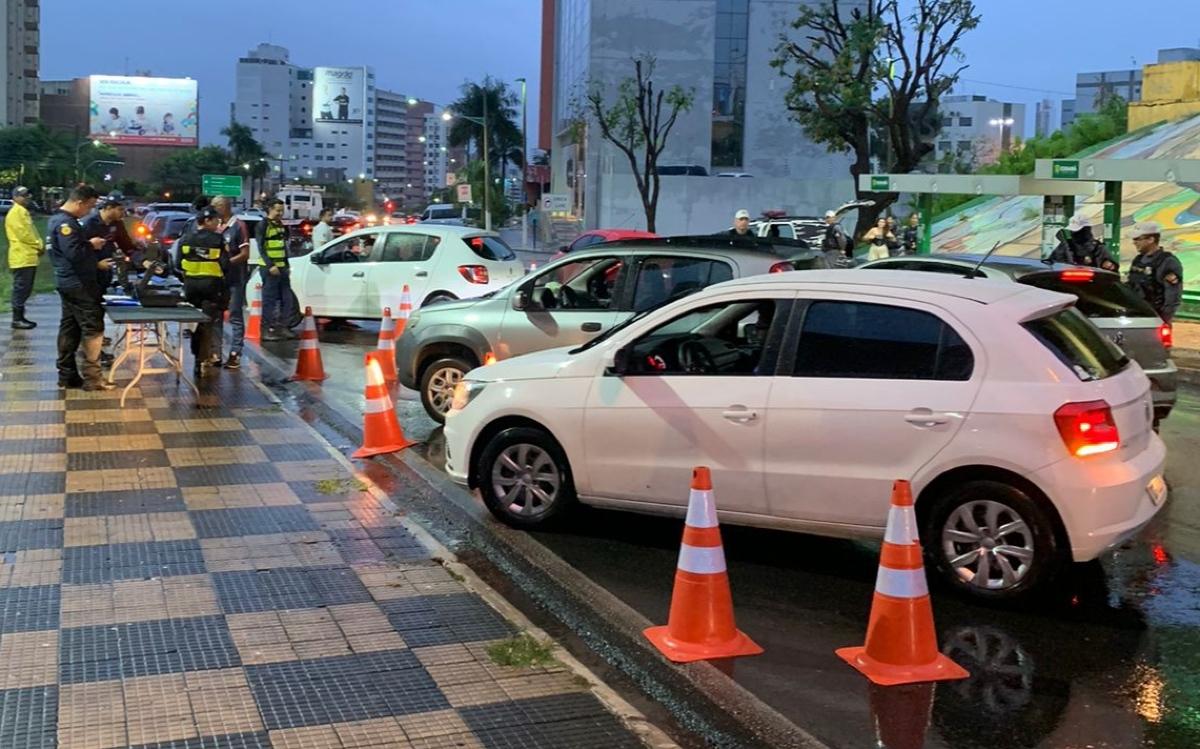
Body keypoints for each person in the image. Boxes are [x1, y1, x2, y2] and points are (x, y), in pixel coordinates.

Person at [48, 184, 112, 390]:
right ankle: (93, 378)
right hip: (78, 284)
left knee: (70, 327)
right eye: (90, 206)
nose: (90, 211)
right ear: (79, 202)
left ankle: (67, 375)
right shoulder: (65, 224)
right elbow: (74, 253)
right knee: (93, 327)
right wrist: (91, 245)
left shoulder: (58, 220)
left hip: (67, 282)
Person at [179, 206, 229, 376]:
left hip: (191, 287)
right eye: (216, 220)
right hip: (211, 287)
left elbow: (178, 263)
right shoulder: (218, 239)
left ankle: (196, 353)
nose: (218, 223)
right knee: (206, 324)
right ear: (207, 221)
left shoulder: (185, 239)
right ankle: (200, 359)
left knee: (194, 323)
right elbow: (226, 264)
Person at [213, 196, 251, 369]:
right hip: (217, 278)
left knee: (235, 314)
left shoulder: (238, 226)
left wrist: (227, 262)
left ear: (225, 206)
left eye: (216, 206)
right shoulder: (215, 226)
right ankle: (215, 353)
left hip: (236, 277)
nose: (214, 209)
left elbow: (245, 253)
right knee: (216, 315)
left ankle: (235, 353)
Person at [1127, 221, 1184, 323]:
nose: (1134, 242)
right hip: (1135, 316)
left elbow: (1173, 296)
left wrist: (1163, 320)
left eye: (1138, 239)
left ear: (1151, 239)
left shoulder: (1167, 261)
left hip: (1155, 318)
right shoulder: (1138, 260)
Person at [257, 198, 296, 341]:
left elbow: (284, 247)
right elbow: (261, 248)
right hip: (269, 269)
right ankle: (266, 329)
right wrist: (270, 265)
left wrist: (286, 265)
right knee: (269, 300)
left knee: (287, 299)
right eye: (278, 210)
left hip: (282, 267)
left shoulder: (280, 225)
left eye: (282, 210)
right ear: (270, 209)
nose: (280, 213)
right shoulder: (263, 225)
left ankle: (283, 327)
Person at [81, 194, 136, 294]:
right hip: (88, 274)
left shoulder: (117, 224)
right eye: (120, 209)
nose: (123, 213)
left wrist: (141, 259)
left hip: (105, 273)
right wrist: (95, 265)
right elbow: (77, 251)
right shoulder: (89, 223)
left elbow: (127, 245)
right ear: (109, 208)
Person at [5, 186, 43, 329]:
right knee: (21, 288)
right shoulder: (16, 212)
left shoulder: (22, 211)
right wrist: (38, 244)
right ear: (15, 197)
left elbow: (30, 230)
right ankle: (17, 319)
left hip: (27, 256)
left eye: (27, 195)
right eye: (23, 196)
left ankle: (20, 317)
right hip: (21, 256)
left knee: (25, 288)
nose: (26, 198)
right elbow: (24, 234)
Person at [1050, 215, 1118, 270]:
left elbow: (1112, 271)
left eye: (1077, 231)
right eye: (1073, 231)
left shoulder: (1099, 248)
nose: (1074, 233)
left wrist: (1109, 266)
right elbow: (1053, 263)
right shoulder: (1065, 246)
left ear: (1086, 230)